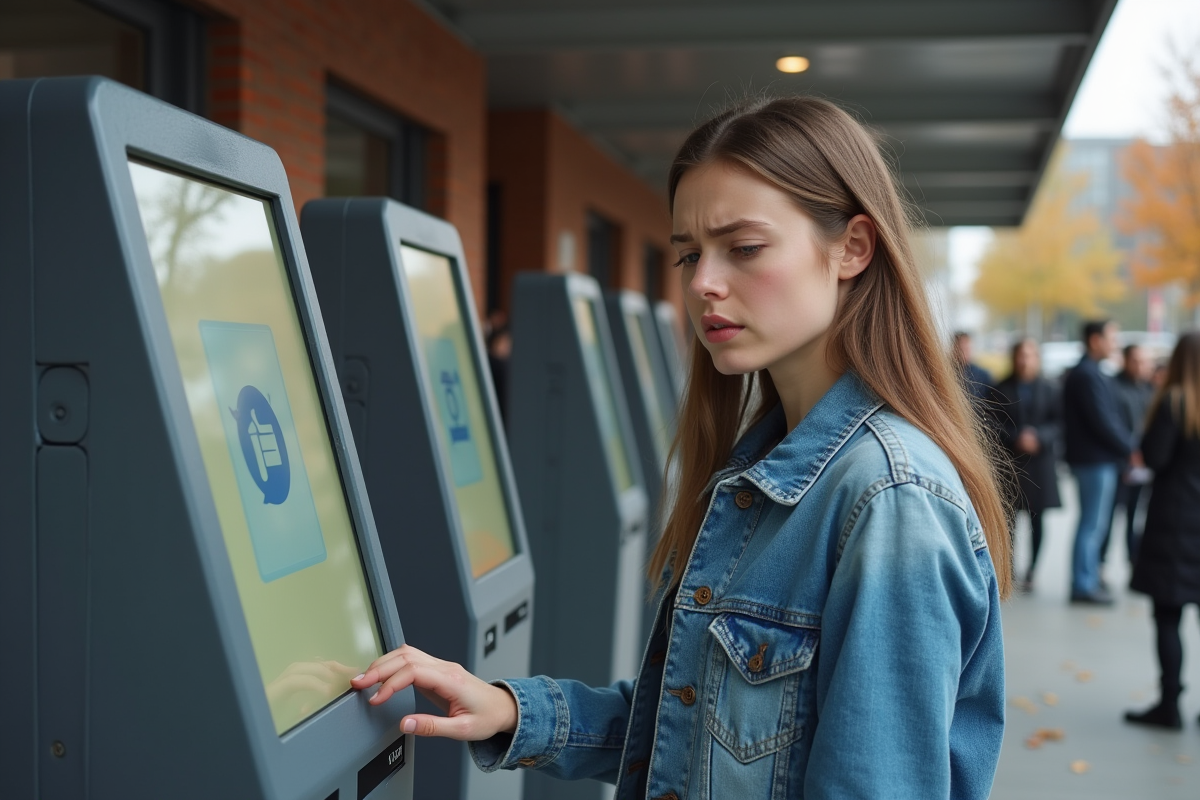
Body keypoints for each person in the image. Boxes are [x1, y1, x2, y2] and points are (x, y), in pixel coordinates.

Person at [351, 97, 1011, 799]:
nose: (703, 284)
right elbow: (697, 731)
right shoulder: (767, 465)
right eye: (690, 254)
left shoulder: (888, 501)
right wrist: (515, 712)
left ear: (852, 247)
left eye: (744, 248)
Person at [1125, 332, 1200, 730]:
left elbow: (1155, 457)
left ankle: (1169, 704)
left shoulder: (1174, 403)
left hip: (1176, 520)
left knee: (1168, 615)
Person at [1062, 319, 1134, 605]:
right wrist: (1130, 448)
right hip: (1093, 460)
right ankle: (1083, 583)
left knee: (1093, 523)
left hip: (1096, 459)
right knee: (1092, 524)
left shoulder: (1092, 373)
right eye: (1111, 338)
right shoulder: (1087, 375)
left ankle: (1087, 579)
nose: (1114, 344)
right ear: (1095, 340)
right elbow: (1103, 421)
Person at [989, 338, 1062, 592]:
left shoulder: (1050, 388)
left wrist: (1039, 437)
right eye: (1021, 355)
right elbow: (989, 422)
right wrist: (1015, 437)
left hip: (1039, 464)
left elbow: (1059, 423)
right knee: (1007, 519)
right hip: (1010, 464)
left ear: (1037, 358)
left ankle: (1032, 570)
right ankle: (1008, 568)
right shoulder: (999, 388)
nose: (1025, 360)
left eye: (1030, 355)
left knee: (1037, 519)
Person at [1101, 343, 1156, 567]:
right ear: (1125, 360)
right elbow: (1110, 425)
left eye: (1144, 361)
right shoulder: (1112, 387)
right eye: (1136, 360)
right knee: (1109, 518)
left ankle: (1133, 561)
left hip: (1141, 464)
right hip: (1118, 462)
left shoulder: (1149, 390)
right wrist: (1128, 452)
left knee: (1136, 516)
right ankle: (1100, 563)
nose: (1141, 366)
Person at [953, 330, 994, 399]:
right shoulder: (946, 373)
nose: (963, 352)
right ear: (954, 348)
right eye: (960, 348)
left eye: (966, 348)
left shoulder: (983, 376)